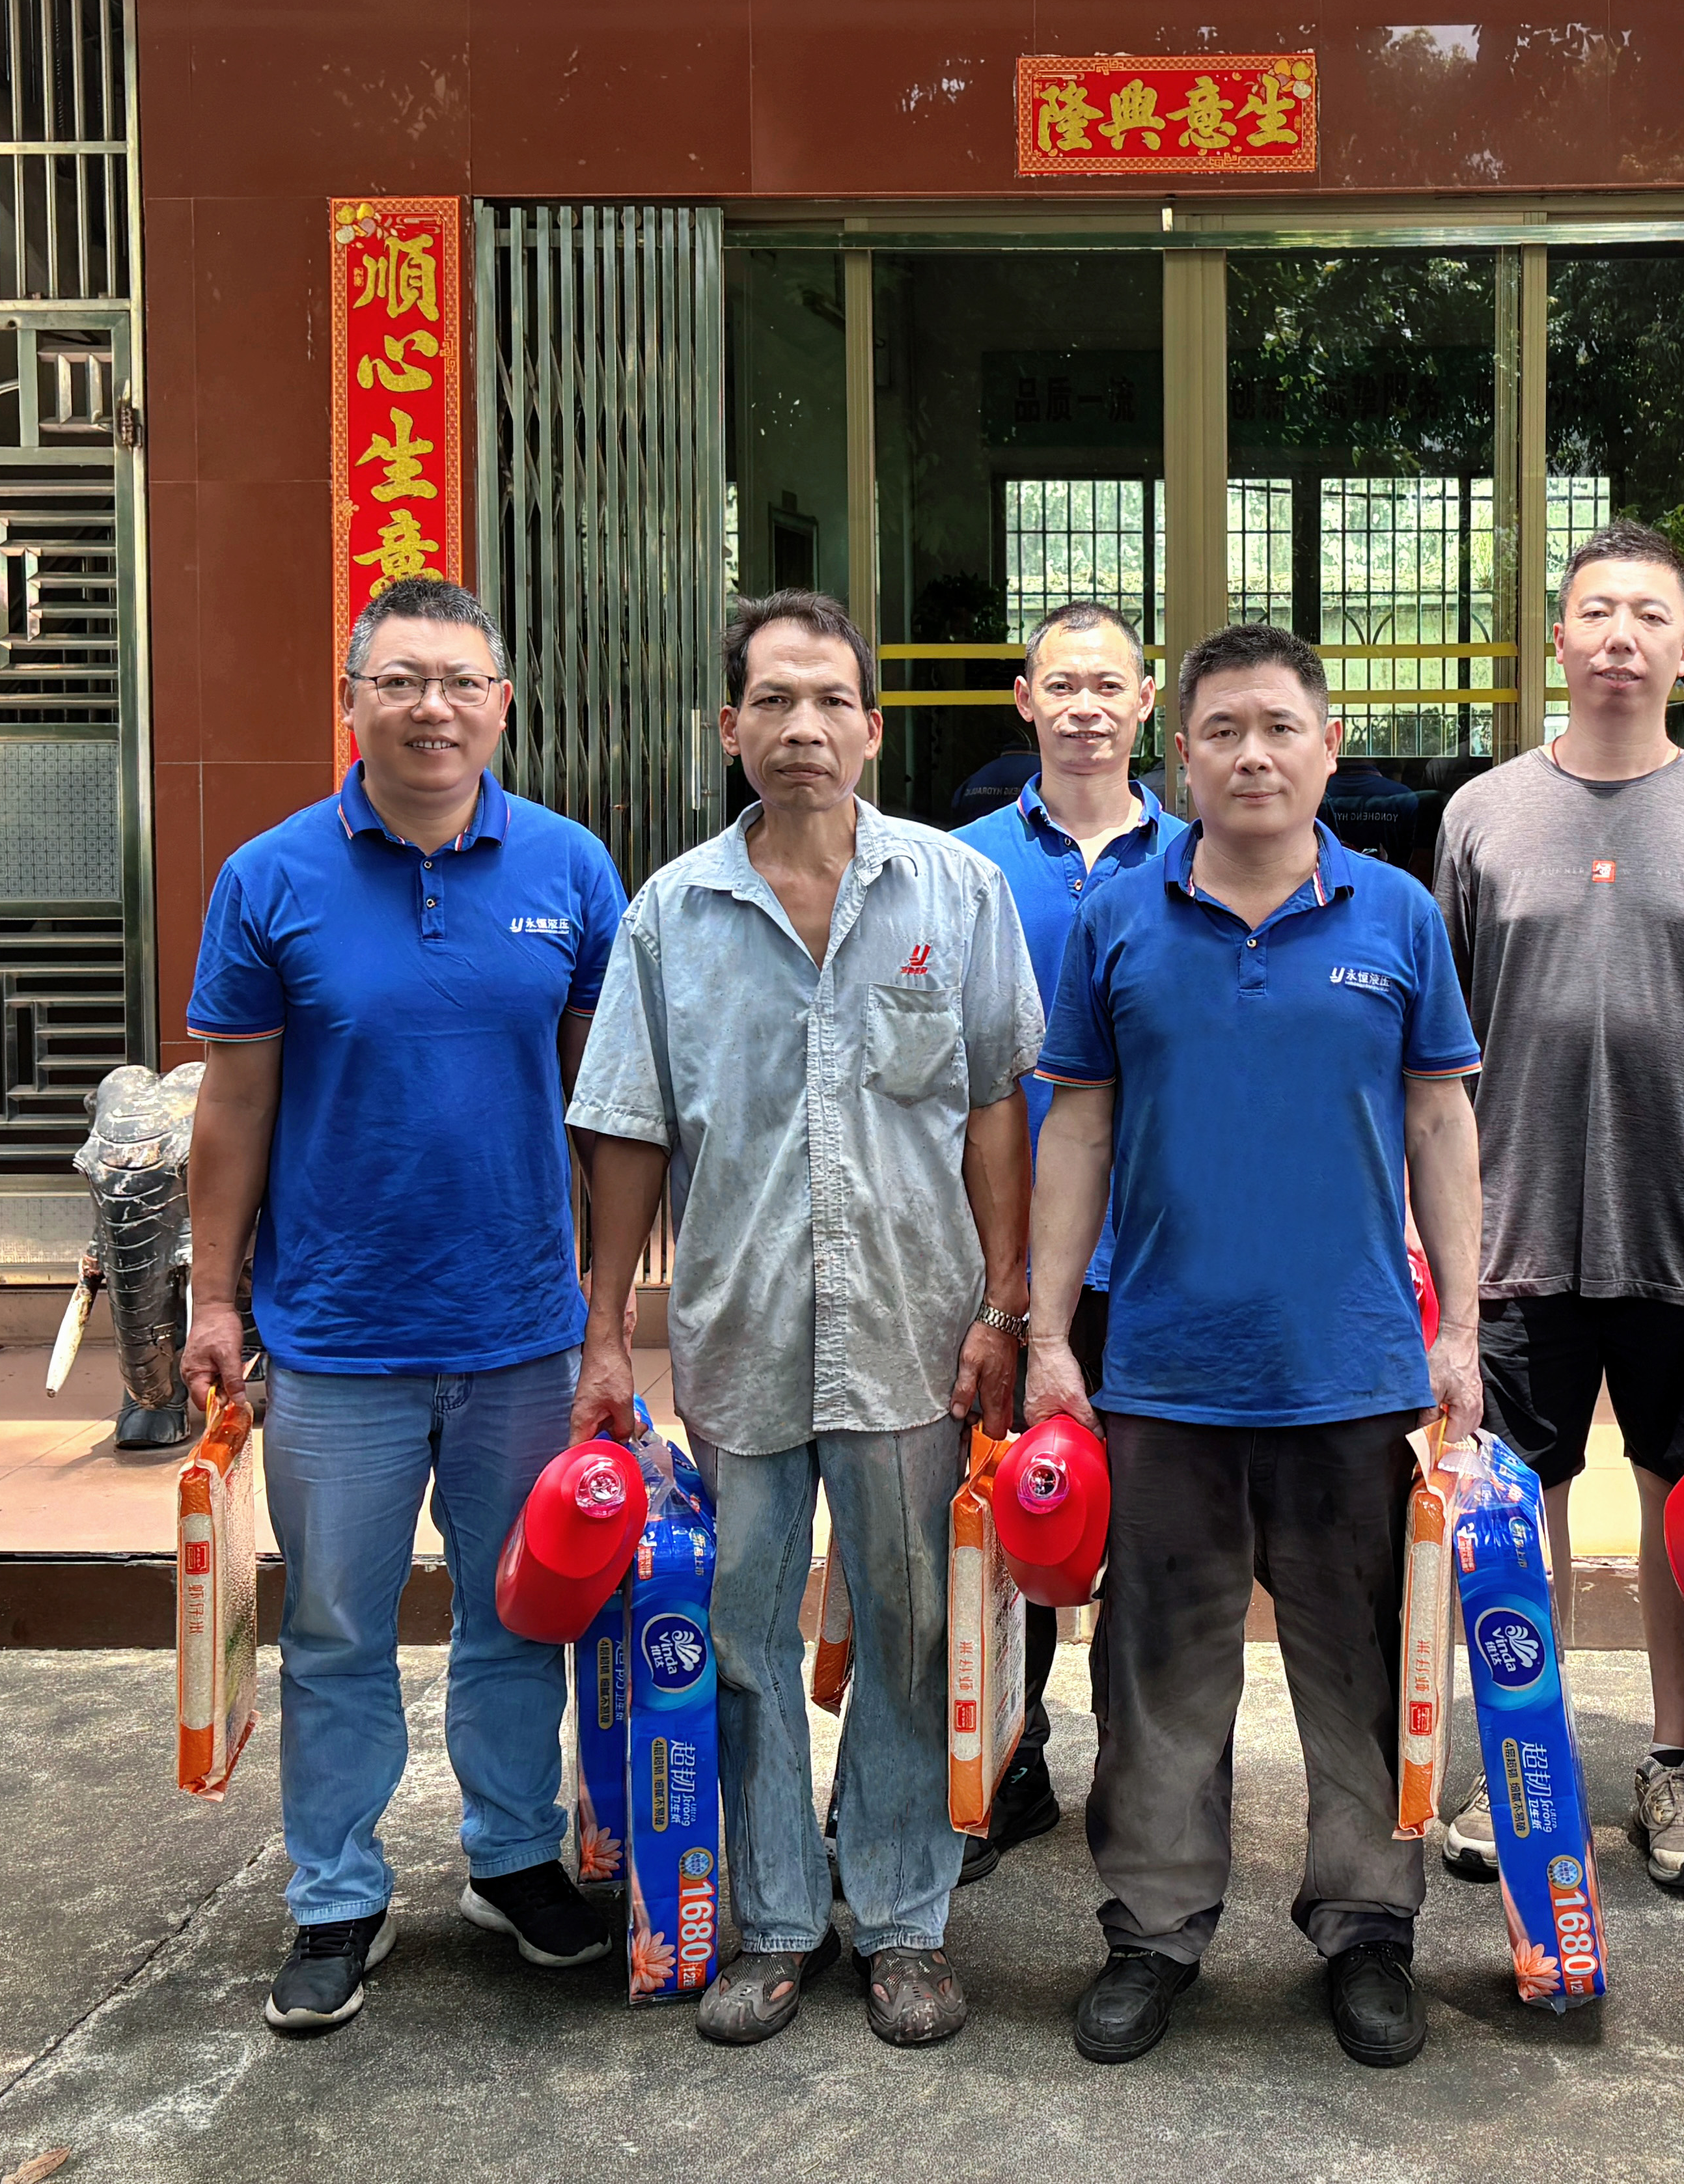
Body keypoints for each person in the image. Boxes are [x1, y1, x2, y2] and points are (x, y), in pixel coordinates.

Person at [566, 589, 1041, 2053]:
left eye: (831, 701)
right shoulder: (670, 915)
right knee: (741, 1633)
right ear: (730, 729)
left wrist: (1006, 1304)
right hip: (743, 1334)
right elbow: (629, 1131)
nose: (803, 728)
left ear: (872, 729)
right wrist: (606, 1332)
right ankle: (775, 1919)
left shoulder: (957, 894)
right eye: (773, 701)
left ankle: (901, 1919)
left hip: (913, 1334)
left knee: (910, 1627)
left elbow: (997, 1109)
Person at [1023, 622, 1485, 2070]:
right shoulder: (1119, 921)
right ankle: (1155, 1932)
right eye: (1223, 730)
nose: (1253, 755)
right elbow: (1076, 1127)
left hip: (1355, 1370)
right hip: (1168, 1372)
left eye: (1281, 727)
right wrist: (1049, 1335)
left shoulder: (1399, 915)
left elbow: (1440, 1121)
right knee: (1159, 1675)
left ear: (1330, 747)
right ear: (1184, 753)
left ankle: (1368, 1928)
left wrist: (1463, 1332)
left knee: (1364, 1670)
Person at [180, 575, 629, 2037]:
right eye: (400, 680)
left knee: (521, 1614)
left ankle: (512, 1858)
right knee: (333, 1630)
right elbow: (234, 1106)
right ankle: (335, 1892)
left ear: (502, 705)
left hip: (520, 1334)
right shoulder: (271, 878)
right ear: (352, 701)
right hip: (336, 1338)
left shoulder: (570, 869)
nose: (432, 708)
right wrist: (213, 1296)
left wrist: (613, 1314)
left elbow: (609, 1107)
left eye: (460, 683)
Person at [1431, 519, 1684, 1896]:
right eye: (1596, 611)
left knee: (1683, 1505)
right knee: (1514, 1509)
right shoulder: (1481, 815)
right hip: (1515, 1226)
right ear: (1558, 638)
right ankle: (1517, 1756)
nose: (1621, 636)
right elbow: (1438, 1054)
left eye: (1650, 615)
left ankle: (1673, 1765)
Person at [952, 600, 1187, 1858]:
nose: (1087, 707)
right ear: (1025, 701)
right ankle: (1007, 1751)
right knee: (1010, 1514)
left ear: (1147, 702)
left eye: (1111, 685)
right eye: (1063, 685)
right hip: (1003, 1261)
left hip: (1159, 1262)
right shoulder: (960, 865)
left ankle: (1140, 1777)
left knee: (1151, 1535)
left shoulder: (1206, 857)